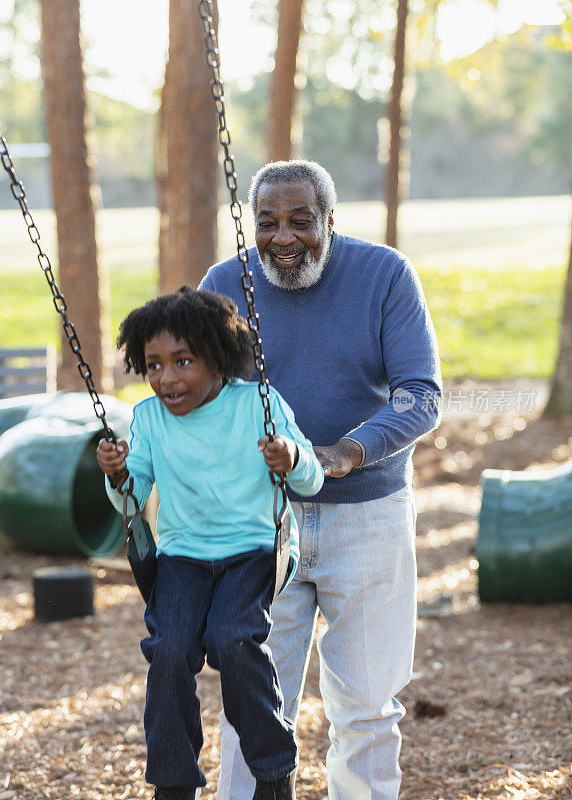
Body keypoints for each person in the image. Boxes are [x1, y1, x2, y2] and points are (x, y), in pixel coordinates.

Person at [199, 160, 443, 800]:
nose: (284, 238)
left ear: (330, 221)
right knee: (248, 705)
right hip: (258, 519)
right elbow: (194, 392)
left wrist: (349, 452)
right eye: (268, 223)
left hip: (367, 515)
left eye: (301, 221)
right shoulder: (227, 284)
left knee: (365, 706)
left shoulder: (384, 276)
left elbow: (421, 395)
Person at [96, 286, 324, 800]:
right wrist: (115, 474)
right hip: (182, 557)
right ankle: (174, 784)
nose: (166, 378)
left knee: (232, 638)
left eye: (183, 361)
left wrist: (290, 456)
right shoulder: (149, 419)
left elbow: (310, 481)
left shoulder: (257, 404)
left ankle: (272, 770)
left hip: (253, 552)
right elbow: (129, 499)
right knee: (171, 650)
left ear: (217, 359)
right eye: (153, 364)